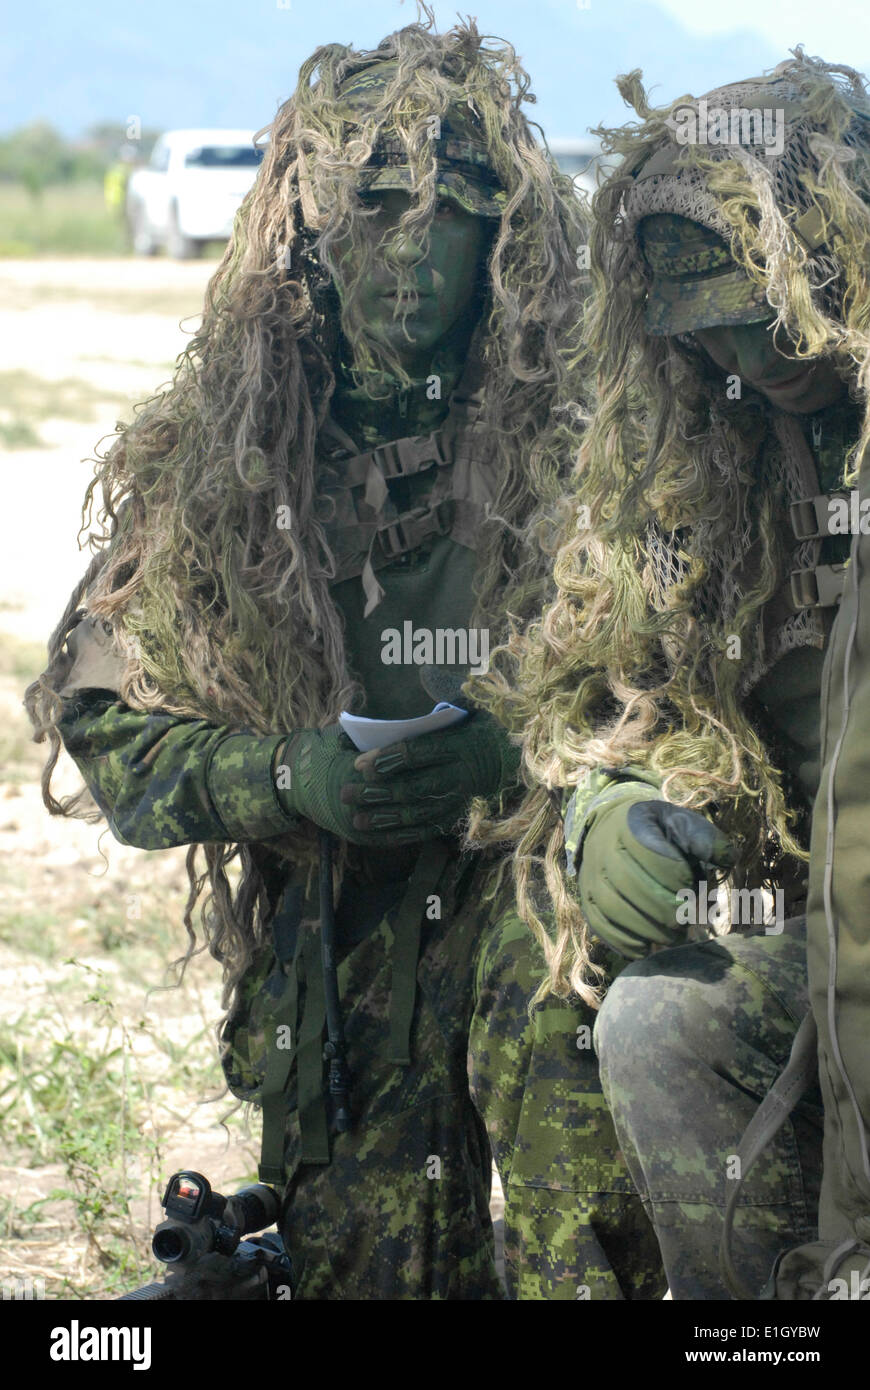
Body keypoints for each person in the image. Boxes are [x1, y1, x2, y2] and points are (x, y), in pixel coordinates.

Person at [26, 18, 663, 1300]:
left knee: (568, 1102)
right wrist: (287, 777)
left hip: (534, 877)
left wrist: (528, 752)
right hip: (344, 920)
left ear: (506, 245)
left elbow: (691, 693)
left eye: (450, 217)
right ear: (309, 234)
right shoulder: (226, 451)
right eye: (373, 214)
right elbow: (110, 727)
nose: (409, 255)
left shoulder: (597, 436)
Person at [474, 51, 870, 1298]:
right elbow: (622, 678)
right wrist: (611, 805)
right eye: (712, 340)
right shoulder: (715, 446)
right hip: (814, 927)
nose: (753, 364)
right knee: (660, 1017)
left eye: (769, 315)